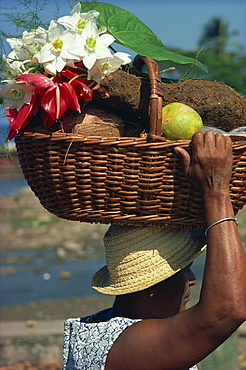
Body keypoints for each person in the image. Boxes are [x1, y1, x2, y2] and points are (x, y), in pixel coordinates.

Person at [63, 131, 246, 370]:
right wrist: (216, 191)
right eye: (183, 269)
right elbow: (227, 311)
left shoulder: (100, 330)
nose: (192, 280)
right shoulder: (123, 345)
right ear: (148, 287)